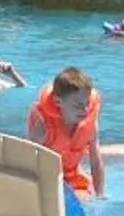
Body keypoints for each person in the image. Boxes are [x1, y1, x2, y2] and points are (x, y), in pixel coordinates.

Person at [28, 66, 106, 200]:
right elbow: (29, 164)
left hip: (73, 179)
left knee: (85, 200)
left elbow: (96, 162)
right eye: (78, 106)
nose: (85, 110)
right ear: (58, 101)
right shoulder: (43, 125)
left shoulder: (89, 121)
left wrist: (100, 195)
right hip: (47, 180)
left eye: (87, 103)